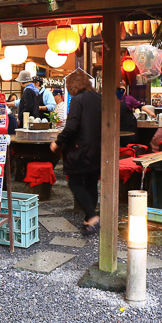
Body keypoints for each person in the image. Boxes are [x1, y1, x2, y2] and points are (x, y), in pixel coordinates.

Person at [50, 70, 101, 235]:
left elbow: (72, 126)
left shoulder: (77, 100)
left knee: (75, 183)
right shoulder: (99, 98)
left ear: (72, 85)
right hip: (97, 149)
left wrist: (58, 141)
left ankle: (93, 216)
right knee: (91, 183)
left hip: (80, 150)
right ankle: (88, 220)